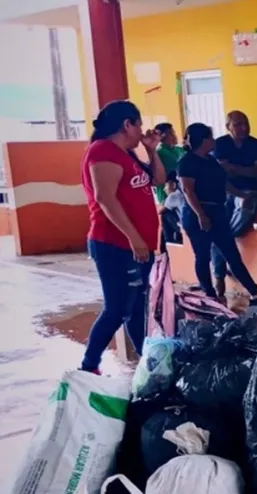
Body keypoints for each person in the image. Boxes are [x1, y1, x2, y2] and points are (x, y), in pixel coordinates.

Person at [79, 100, 165, 374]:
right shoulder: (102, 150)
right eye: (138, 124)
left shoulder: (125, 153)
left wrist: (151, 151)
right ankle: (89, 366)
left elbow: (159, 181)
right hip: (114, 244)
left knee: (137, 307)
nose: (142, 130)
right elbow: (105, 197)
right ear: (127, 124)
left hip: (136, 245)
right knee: (117, 308)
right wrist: (134, 239)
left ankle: (146, 362)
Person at [176, 122, 257, 305]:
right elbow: (188, 190)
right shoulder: (186, 161)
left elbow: (223, 183)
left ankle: (254, 291)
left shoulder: (210, 160)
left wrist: (242, 195)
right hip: (198, 212)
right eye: (210, 137)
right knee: (202, 255)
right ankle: (209, 293)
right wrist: (201, 215)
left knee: (231, 252)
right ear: (203, 140)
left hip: (217, 210)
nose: (214, 140)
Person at [210, 110, 257, 296]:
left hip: (250, 194)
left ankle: (218, 275)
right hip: (225, 193)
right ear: (228, 127)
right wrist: (245, 169)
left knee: (222, 234)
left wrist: (234, 168)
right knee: (221, 231)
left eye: (245, 123)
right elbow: (221, 172)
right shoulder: (220, 144)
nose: (244, 128)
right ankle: (218, 277)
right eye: (238, 125)